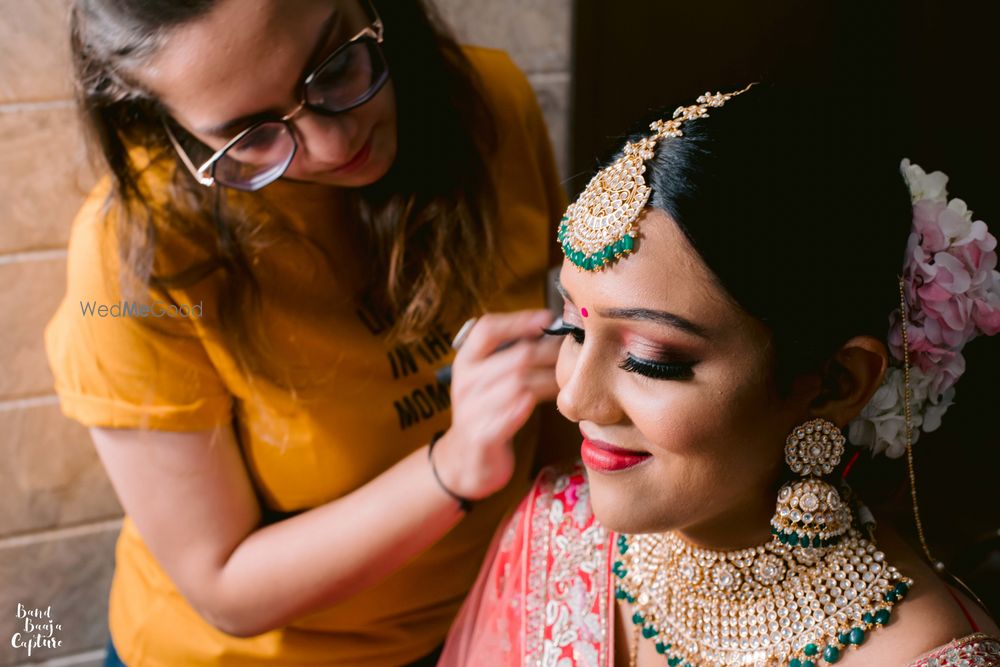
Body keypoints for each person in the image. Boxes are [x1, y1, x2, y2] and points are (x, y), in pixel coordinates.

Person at [43, 0, 569, 665]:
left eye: (336, 65)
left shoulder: (489, 101)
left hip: (489, 616)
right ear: (168, 128)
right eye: (249, 136)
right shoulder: (135, 257)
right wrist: (455, 465)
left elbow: (550, 398)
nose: (332, 144)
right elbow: (226, 589)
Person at [438, 84, 1000, 666]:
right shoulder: (559, 532)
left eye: (653, 360)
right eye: (572, 330)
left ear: (837, 383)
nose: (574, 398)